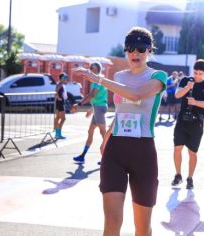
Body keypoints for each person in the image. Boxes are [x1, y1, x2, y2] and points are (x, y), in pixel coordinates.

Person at [73, 26, 167, 236]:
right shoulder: (119, 76)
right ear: (125, 50)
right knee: (112, 220)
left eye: (141, 49)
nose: (136, 53)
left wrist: (97, 78)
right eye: (131, 48)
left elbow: (135, 95)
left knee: (142, 228)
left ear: (150, 51)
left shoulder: (158, 76)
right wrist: (106, 138)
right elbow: (120, 113)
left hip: (143, 151)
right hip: (116, 149)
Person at [171, 59, 204, 189]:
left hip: (196, 123)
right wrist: (188, 87)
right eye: (195, 72)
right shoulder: (185, 81)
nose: (197, 75)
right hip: (182, 121)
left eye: (200, 73)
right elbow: (177, 95)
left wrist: (195, 102)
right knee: (177, 148)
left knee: (192, 152)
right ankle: (178, 175)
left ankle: (190, 178)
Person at [72, 62, 108, 164]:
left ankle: (108, 157)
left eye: (93, 68)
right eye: (90, 68)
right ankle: (82, 156)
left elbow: (93, 94)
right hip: (97, 108)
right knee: (90, 132)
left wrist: (79, 105)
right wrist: (92, 109)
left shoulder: (98, 80)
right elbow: (97, 98)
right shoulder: (95, 80)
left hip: (99, 109)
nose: (91, 70)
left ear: (97, 70)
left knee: (103, 134)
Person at [54, 72, 68, 139]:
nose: (65, 79)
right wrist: (58, 97)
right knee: (63, 118)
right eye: (64, 77)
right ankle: (58, 134)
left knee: (58, 118)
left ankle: (57, 133)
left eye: (66, 77)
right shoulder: (60, 84)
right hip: (60, 102)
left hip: (61, 102)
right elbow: (56, 91)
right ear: (61, 78)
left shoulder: (62, 84)